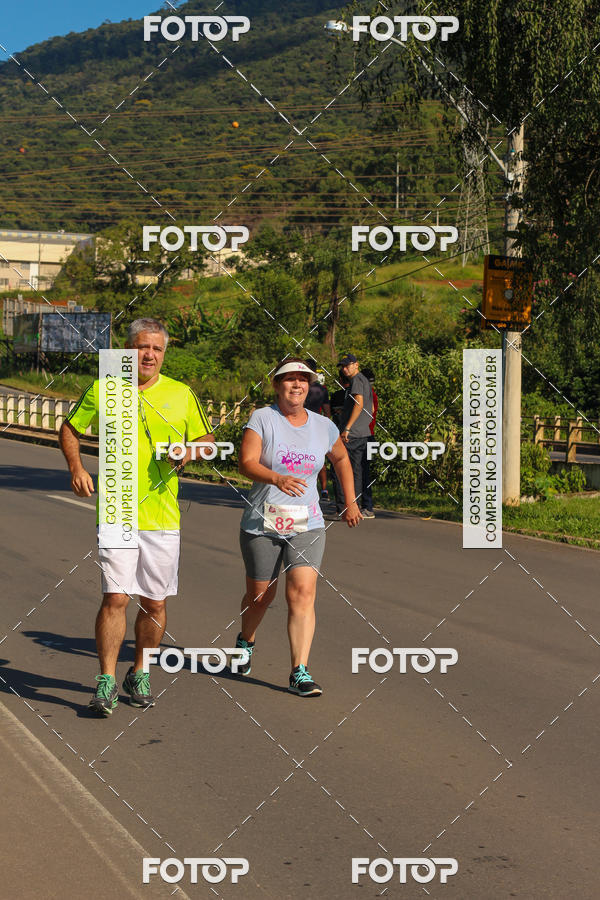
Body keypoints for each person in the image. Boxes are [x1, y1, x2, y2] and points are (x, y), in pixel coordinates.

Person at [59, 317, 214, 716]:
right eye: (142, 347)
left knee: (155, 603)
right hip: (117, 509)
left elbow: (206, 440)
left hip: (162, 515)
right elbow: (70, 429)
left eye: (157, 349)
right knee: (115, 597)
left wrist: (187, 453)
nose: (149, 354)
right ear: (128, 351)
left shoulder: (181, 394)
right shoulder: (106, 389)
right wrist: (76, 468)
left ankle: (140, 670)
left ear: (164, 354)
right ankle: (106, 681)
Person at [235, 357, 362, 697]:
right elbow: (245, 462)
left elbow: (340, 459)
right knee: (261, 596)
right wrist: (275, 477)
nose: (296, 385)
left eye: (302, 380)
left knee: (302, 594)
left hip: (307, 522)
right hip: (262, 521)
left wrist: (349, 500)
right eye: (289, 379)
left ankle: (299, 671)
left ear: (310, 386)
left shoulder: (323, 426)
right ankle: (246, 639)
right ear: (277, 385)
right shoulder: (263, 418)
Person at [333, 353, 375, 519]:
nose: (345, 369)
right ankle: (356, 506)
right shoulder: (363, 381)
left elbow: (359, 402)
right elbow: (369, 409)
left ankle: (348, 506)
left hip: (354, 434)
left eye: (347, 365)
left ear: (356, 364)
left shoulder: (357, 380)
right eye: (342, 366)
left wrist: (348, 427)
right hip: (363, 432)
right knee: (358, 470)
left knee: (343, 468)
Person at [303, 358, 331, 500]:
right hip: (317, 427)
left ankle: (306, 486)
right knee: (319, 459)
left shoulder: (302, 388)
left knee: (301, 458)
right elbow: (327, 411)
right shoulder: (322, 389)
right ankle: (324, 490)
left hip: (301, 426)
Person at [360, 366, 378, 518]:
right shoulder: (372, 393)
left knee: (363, 472)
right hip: (369, 436)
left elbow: (369, 412)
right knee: (363, 472)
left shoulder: (367, 394)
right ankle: (364, 504)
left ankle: (367, 506)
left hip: (365, 437)